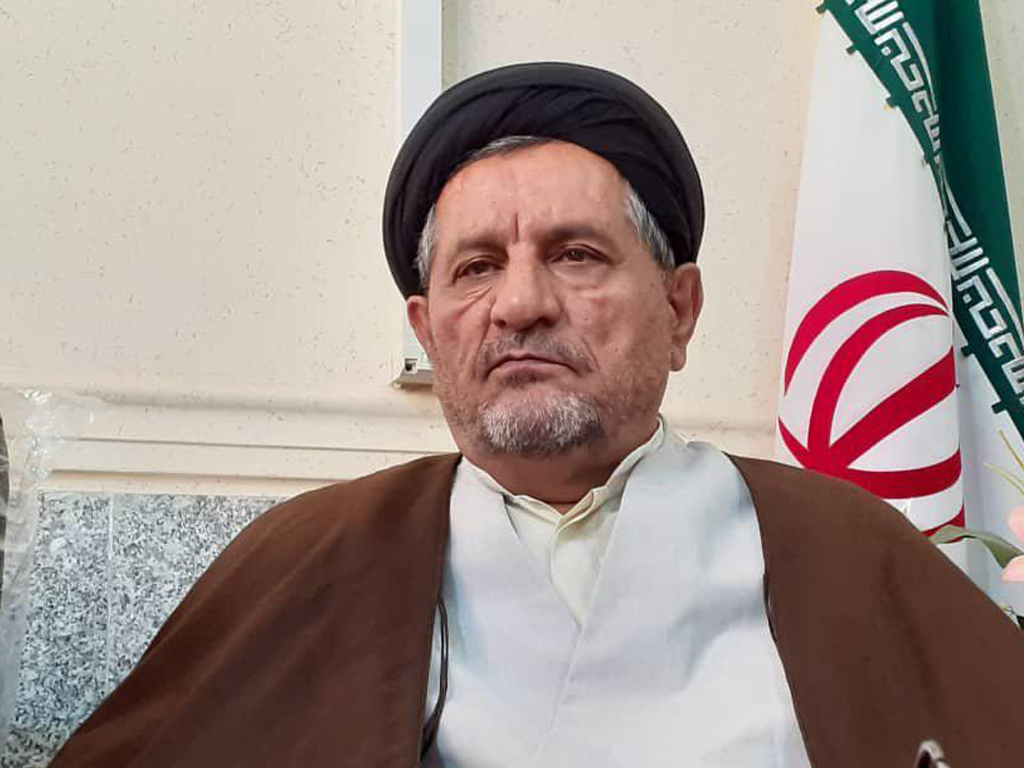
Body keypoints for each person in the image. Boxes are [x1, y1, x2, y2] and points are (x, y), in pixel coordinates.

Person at [48, 62, 1024, 768]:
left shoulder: (842, 548)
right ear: (429, 332)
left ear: (679, 310)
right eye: (477, 267)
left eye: (576, 255)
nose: (519, 305)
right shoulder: (306, 555)